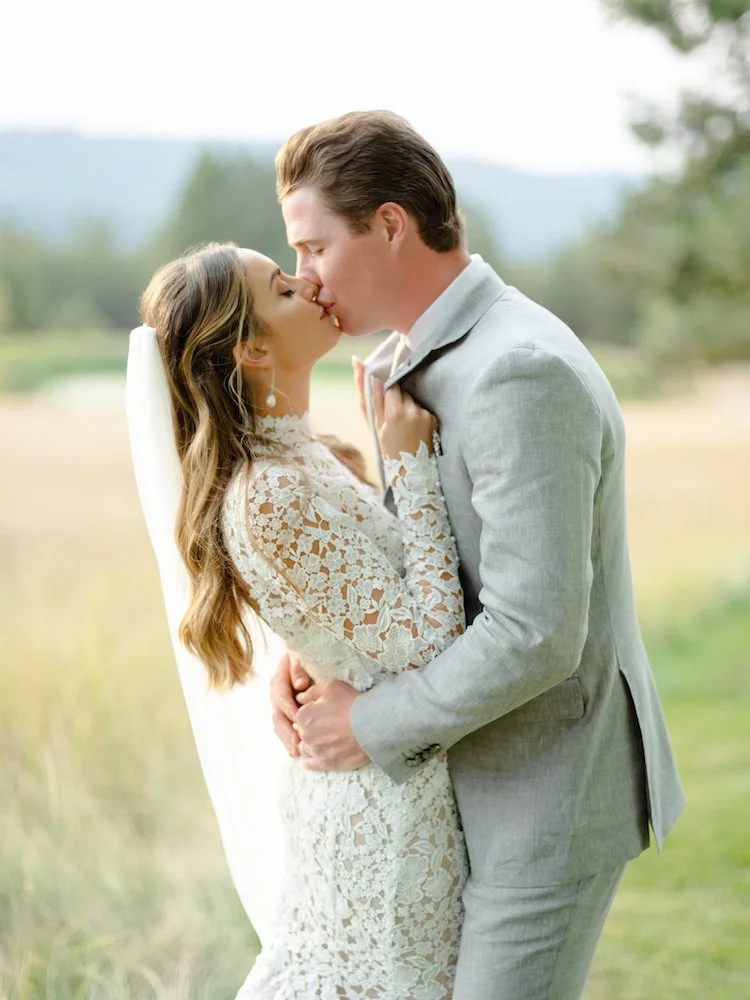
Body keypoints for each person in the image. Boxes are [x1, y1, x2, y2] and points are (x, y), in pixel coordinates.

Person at [270, 110, 686, 1000]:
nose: (304, 281)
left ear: (390, 224)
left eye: (312, 249)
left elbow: (536, 632)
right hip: (461, 788)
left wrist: (368, 724)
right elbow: (422, 566)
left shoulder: (516, 369)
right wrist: (319, 658)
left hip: (545, 799)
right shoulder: (409, 357)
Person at [131, 242, 469, 999]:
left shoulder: (304, 454)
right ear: (251, 348)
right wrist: (410, 467)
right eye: (284, 288)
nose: (311, 284)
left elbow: (353, 607)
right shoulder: (269, 493)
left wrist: (307, 649)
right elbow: (430, 643)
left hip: (396, 783)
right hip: (382, 827)